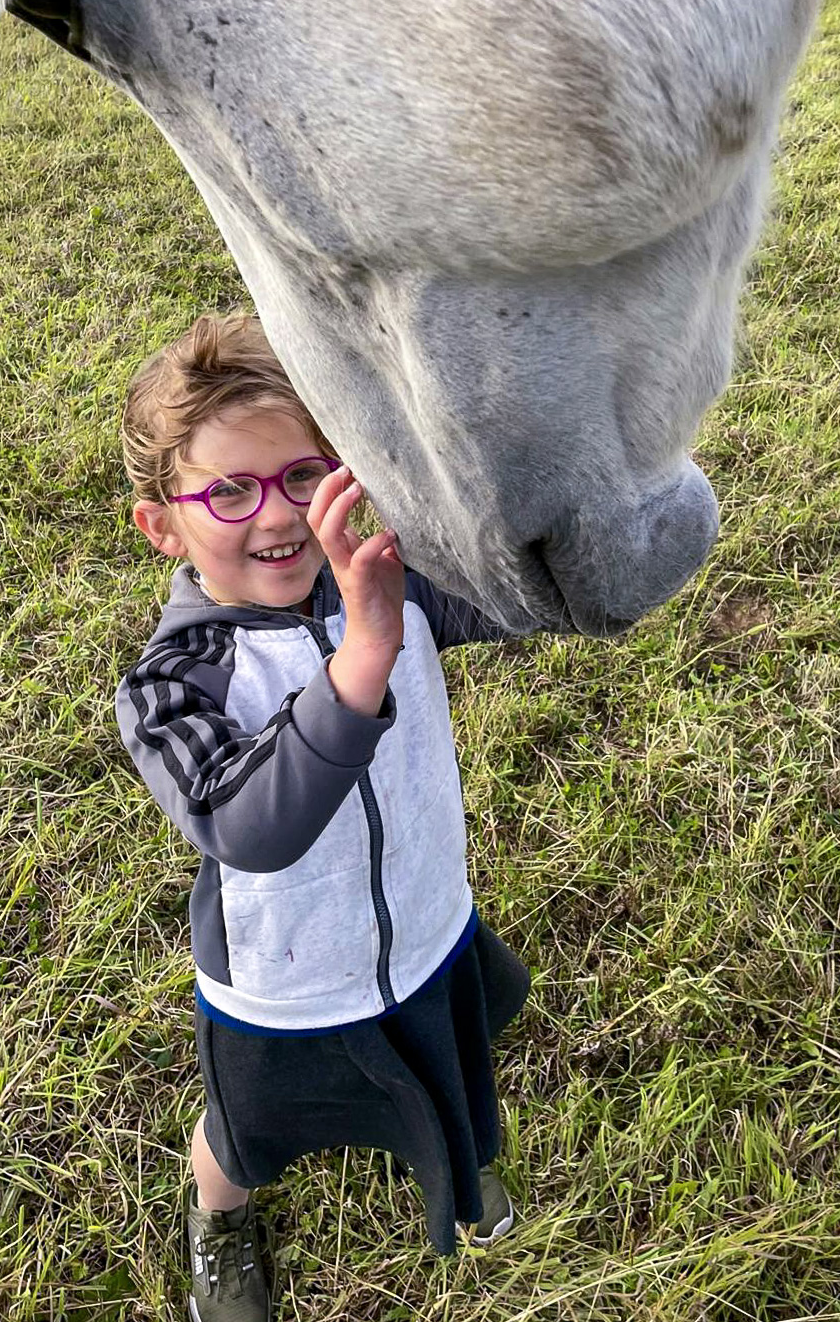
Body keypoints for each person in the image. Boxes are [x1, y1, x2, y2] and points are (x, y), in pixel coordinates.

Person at [115, 313, 529, 1321]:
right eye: (229, 491)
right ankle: (219, 1221)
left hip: (427, 924)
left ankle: (455, 1163)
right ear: (163, 524)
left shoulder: (393, 587)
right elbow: (250, 827)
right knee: (246, 1134)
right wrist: (359, 666)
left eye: (306, 474)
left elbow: (523, 595)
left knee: (445, 1078)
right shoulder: (169, 683)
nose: (280, 514)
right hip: (282, 982)